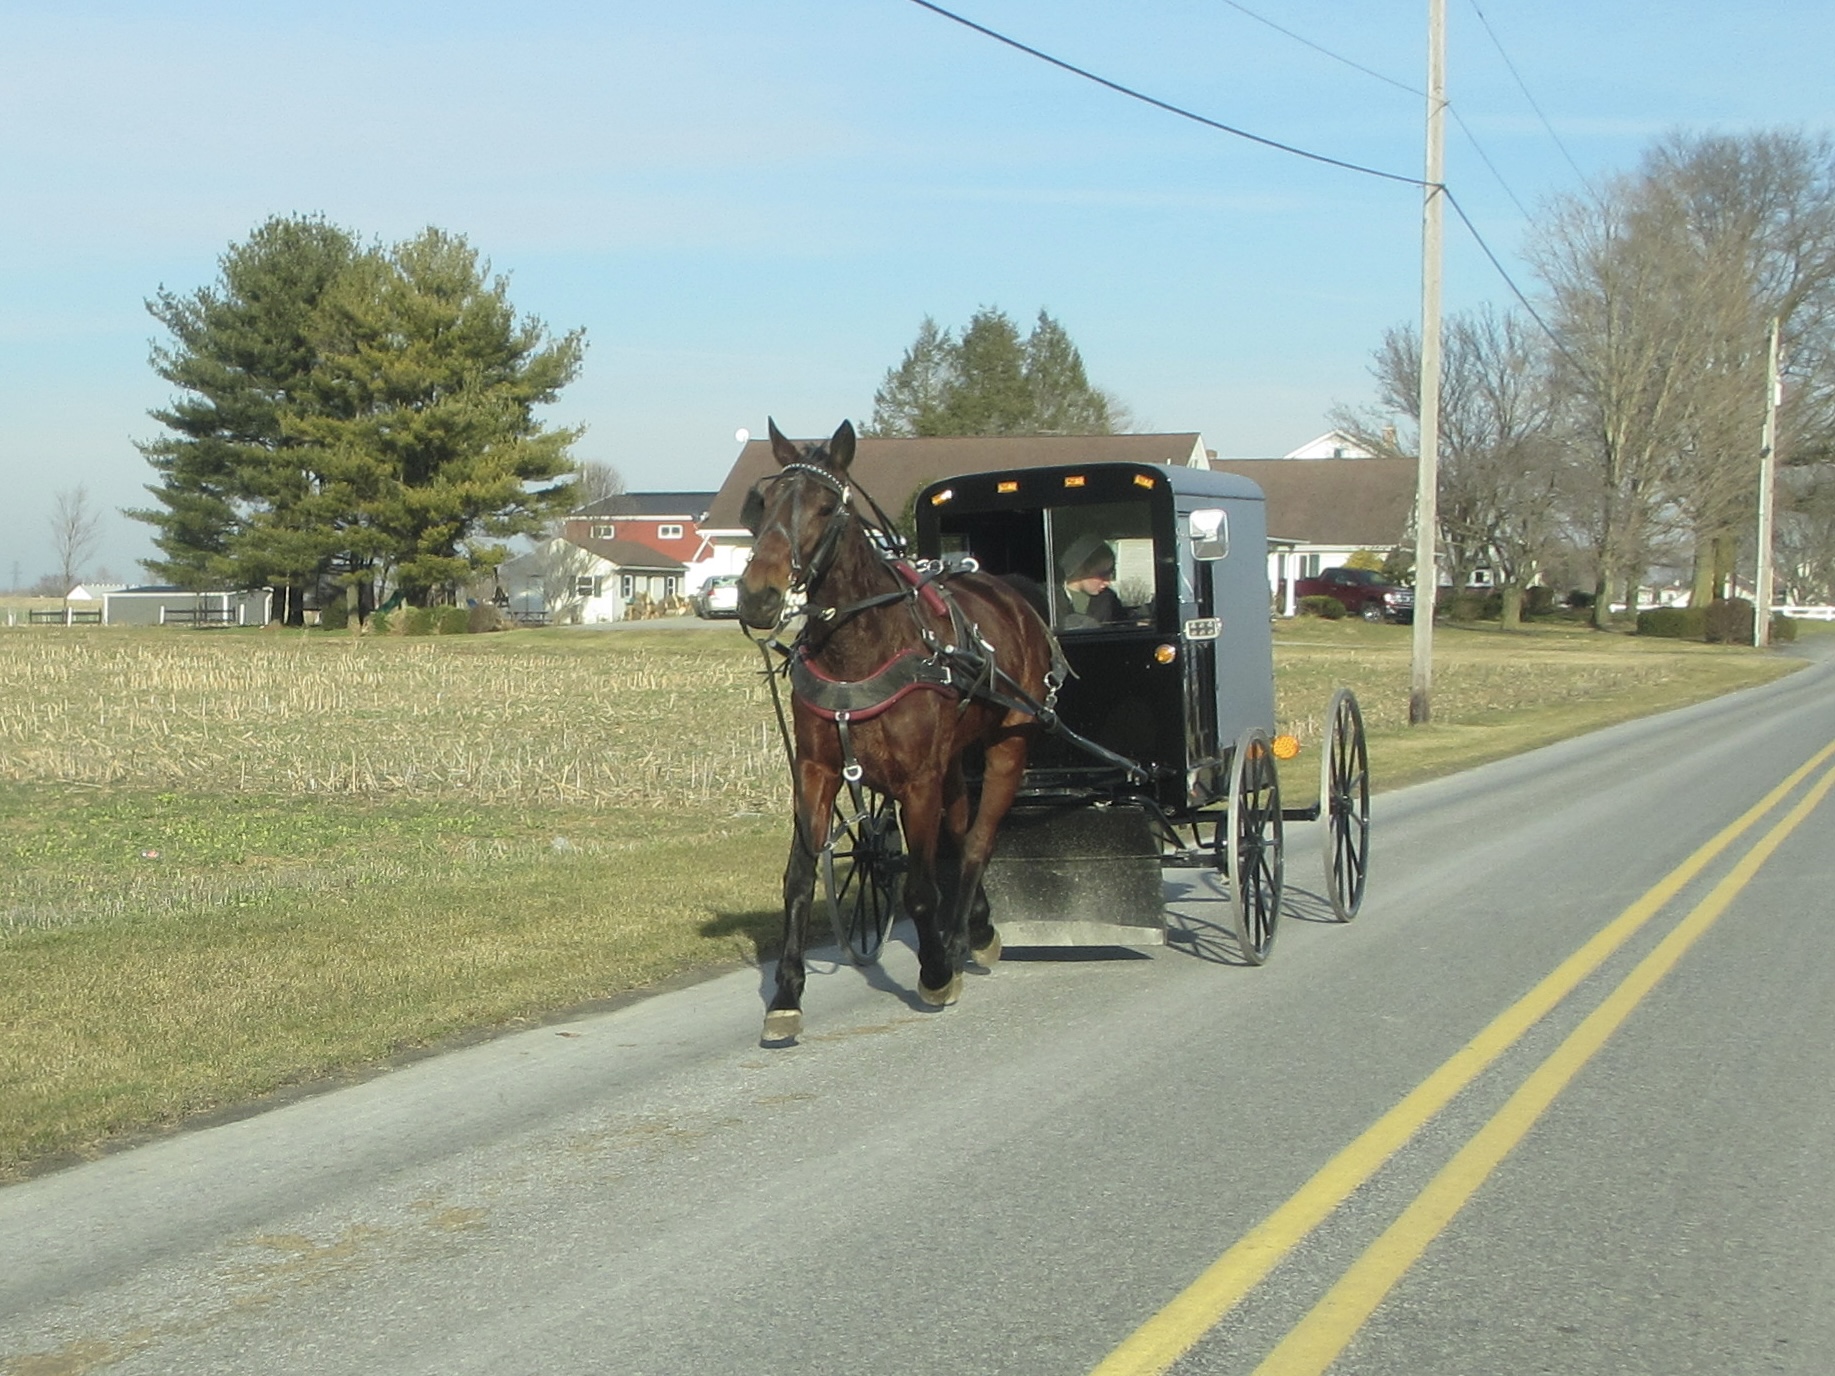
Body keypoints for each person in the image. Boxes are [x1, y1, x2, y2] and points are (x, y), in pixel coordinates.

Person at [1054, 534, 1125, 628]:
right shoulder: (1049, 600)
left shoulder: (1109, 601)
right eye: (1102, 574)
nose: (1108, 581)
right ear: (1079, 570)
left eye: (1111, 573)